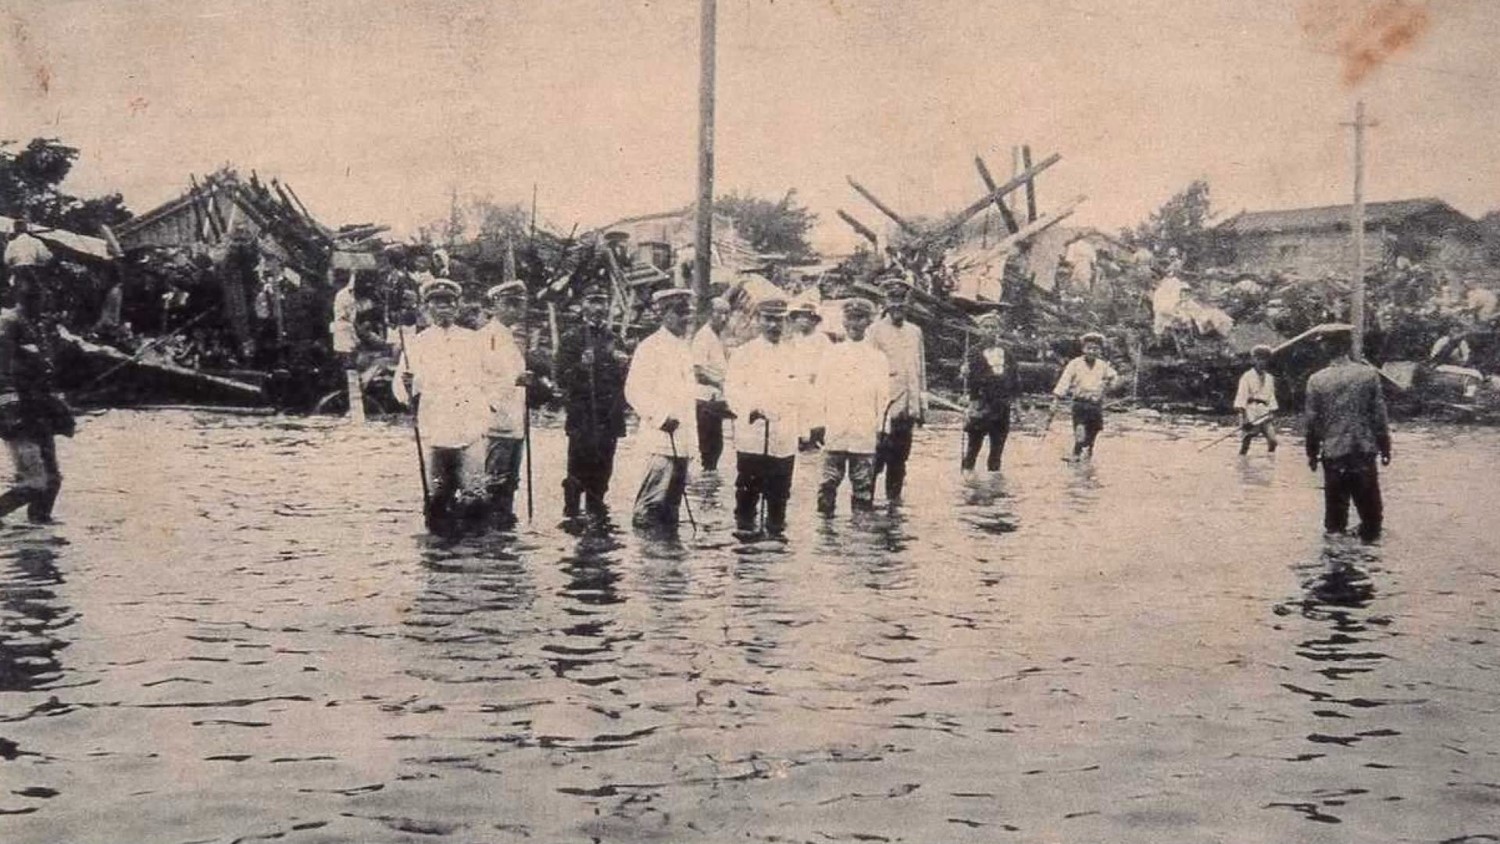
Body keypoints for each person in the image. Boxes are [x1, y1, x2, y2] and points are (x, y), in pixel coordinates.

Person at [393, 278, 486, 533]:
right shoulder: (417, 343)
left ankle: (474, 555)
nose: (444, 309)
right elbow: (399, 389)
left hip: (470, 426)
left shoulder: (473, 340)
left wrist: (488, 411)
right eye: (437, 303)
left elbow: (490, 378)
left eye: (449, 303)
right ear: (427, 308)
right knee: (437, 494)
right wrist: (408, 385)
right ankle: (439, 556)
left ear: (457, 307)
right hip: (436, 427)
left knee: (474, 494)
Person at [1305, 327, 1391, 543]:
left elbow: (1312, 422)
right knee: (1372, 519)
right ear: (1347, 346)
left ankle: (1336, 565)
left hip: (1334, 454)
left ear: (1326, 347)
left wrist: (1311, 453)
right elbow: (1379, 417)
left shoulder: (1317, 380)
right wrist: (1385, 447)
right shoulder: (1368, 375)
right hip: (1363, 451)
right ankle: (1370, 565)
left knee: (1335, 522)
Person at [0, 271, 73, 525]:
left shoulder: (39, 325)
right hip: (16, 412)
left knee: (52, 481)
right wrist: (9, 410)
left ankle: (39, 534)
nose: (38, 301)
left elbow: (47, 363)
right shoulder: (8, 323)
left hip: (40, 409)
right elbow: (2, 371)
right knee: (34, 483)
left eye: (40, 296)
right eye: (31, 297)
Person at [725, 297, 802, 536]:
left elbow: (803, 394)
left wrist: (805, 429)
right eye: (768, 319)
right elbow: (732, 390)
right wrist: (752, 408)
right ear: (758, 320)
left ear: (785, 323)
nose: (773, 326)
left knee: (779, 497)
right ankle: (747, 554)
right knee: (747, 496)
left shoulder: (794, 355)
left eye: (778, 320)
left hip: (784, 438)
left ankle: (775, 553)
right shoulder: (744, 354)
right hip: (753, 437)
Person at [624, 288, 699, 530]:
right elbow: (634, 390)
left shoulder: (684, 348)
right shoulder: (650, 347)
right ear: (665, 314)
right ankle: (647, 561)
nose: (687, 318)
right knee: (650, 508)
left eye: (689, 312)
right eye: (680, 312)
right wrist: (660, 417)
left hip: (682, 444)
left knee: (672, 510)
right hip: (659, 442)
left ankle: (669, 563)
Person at [554, 285, 629, 519]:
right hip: (583, 418)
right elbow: (560, 378)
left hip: (608, 418)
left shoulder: (615, 340)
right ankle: (573, 516)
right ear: (583, 306)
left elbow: (627, 384)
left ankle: (597, 515)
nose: (598, 308)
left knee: (603, 470)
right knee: (577, 471)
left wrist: (624, 366)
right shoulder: (571, 338)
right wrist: (581, 366)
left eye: (602, 302)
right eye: (593, 301)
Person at [810, 298, 890, 515]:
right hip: (835, 427)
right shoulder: (831, 354)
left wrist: (883, 428)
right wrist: (817, 423)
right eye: (850, 318)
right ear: (843, 321)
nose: (854, 324)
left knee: (863, 487)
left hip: (864, 429)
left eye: (860, 319)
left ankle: (858, 537)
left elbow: (884, 397)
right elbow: (820, 391)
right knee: (827, 484)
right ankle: (826, 539)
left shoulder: (878, 358)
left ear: (869, 322)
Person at [476, 279, 541, 529]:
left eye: (518, 305)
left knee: (510, 481)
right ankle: (491, 531)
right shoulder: (485, 338)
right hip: (494, 422)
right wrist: (514, 379)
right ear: (495, 305)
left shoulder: (510, 339)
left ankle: (504, 529)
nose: (514, 310)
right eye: (509, 304)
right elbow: (479, 378)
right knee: (494, 481)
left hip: (514, 421)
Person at [869, 277, 927, 501]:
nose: (897, 305)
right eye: (893, 300)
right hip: (884, 409)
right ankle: (867, 510)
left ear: (908, 302)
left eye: (901, 300)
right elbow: (868, 370)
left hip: (908, 408)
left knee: (900, 461)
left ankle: (893, 509)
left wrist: (921, 407)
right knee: (876, 461)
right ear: (885, 302)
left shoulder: (915, 332)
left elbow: (920, 370)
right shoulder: (874, 331)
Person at [961, 311, 1021, 472]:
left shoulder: (1007, 352)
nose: (990, 330)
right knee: (973, 447)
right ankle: (968, 483)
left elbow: (1014, 378)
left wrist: (1016, 404)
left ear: (999, 330)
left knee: (997, 451)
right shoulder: (973, 352)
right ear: (980, 329)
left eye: (993, 327)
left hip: (1002, 407)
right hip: (981, 404)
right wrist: (965, 373)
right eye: (986, 327)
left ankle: (993, 486)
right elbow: (974, 378)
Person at [1050, 332, 1118, 461]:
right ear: (1083, 349)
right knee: (1080, 428)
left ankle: (1088, 450)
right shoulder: (1075, 364)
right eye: (1089, 348)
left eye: (1096, 349)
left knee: (1094, 429)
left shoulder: (1103, 365)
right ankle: (1076, 453)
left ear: (1100, 351)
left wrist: (1108, 385)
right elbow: (1064, 381)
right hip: (1080, 403)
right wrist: (1056, 399)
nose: (1092, 351)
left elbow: (1113, 377)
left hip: (1095, 403)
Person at [692, 296, 732, 471]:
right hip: (705, 400)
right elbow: (698, 371)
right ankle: (705, 491)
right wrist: (721, 383)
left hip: (716, 401)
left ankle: (709, 488)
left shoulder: (717, 337)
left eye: (727, 314)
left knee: (716, 447)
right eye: (719, 313)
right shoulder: (703, 337)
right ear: (710, 313)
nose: (723, 319)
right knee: (709, 448)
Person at [788, 296, 831, 451]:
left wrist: (819, 375)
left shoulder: (821, 339)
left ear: (814, 321)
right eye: (800, 318)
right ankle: (800, 437)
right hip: (797, 378)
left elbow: (828, 360)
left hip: (815, 379)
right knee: (797, 408)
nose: (804, 321)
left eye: (808, 318)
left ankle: (815, 437)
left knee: (814, 409)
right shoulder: (794, 339)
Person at [1233, 345, 1279, 455]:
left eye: (1265, 359)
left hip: (1264, 412)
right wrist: (1245, 419)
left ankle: (1270, 462)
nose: (1262, 362)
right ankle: (1242, 462)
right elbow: (1241, 397)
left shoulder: (1269, 378)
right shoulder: (1247, 376)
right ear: (1254, 360)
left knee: (1273, 441)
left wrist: (1272, 411)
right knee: (1247, 441)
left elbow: (1271, 396)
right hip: (1250, 411)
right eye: (1260, 359)